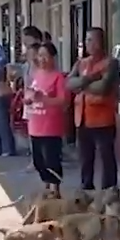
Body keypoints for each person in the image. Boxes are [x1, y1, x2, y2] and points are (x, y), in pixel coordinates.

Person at [67, 27, 120, 191]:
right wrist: (89, 79)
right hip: (82, 118)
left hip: (102, 119)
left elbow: (103, 87)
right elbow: (68, 83)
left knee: (106, 158)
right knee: (85, 159)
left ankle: (109, 192)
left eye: (91, 40)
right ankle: (86, 189)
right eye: (86, 40)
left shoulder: (111, 63)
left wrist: (81, 84)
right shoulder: (81, 63)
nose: (87, 43)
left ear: (100, 42)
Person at [25, 42, 67, 193]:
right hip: (35, 124)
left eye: (45, 56)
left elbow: (63, 100)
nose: (42, 59)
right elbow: (31, 94)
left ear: (53, 57)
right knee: (38, 161)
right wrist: (28, 99)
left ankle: (54, 189)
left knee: (51, 160)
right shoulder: (36, 75)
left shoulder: (58, 77)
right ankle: (46, 184)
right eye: (40, 55)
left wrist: (43, 99)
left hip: (51, 126)